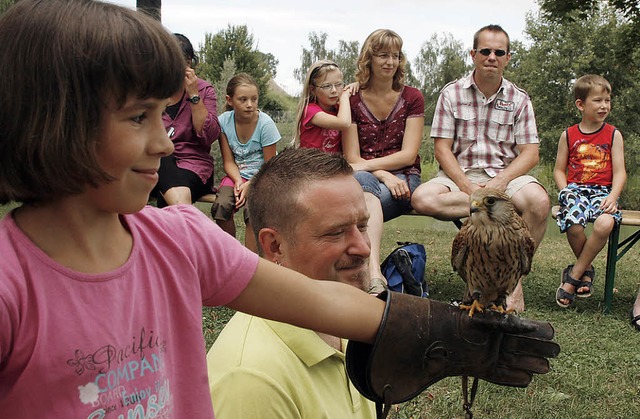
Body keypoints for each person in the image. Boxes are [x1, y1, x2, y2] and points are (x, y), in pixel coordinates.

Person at [0, 2, 558, 416]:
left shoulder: (179, 239)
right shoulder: (12, 284)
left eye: (161, 114)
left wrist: (454, 334)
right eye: (137, 117)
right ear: (54, 123)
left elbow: (319, 301)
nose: (166, 142)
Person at [207, 148, 376, 418]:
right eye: (336, 232)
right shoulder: (253, 381)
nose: (363, 248)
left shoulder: (342, 318)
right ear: (275, 246)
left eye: (363, 227)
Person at [410, 24, 550, 312]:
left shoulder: (520, 99)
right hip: (460, 177)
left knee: (538, 202)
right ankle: (478, 264)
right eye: (485, 51)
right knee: (421, 198)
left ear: (508, 58)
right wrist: (471, 190)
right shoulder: (451, 94)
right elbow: (442, 150)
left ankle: (512, 281)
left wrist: (498, 184)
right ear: (473, 54)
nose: (491, 57)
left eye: (499, 52)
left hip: (506, 176)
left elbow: (530, 153)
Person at [342, 29, 425, 294]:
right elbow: (352, 158)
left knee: (362, 199)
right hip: (369, 179)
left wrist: (385, 174)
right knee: (364, 187)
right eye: (382, 55)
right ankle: (374, 272)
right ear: (369, 59)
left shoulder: (412, 97)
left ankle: (367, 272)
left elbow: (408, 155)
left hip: (404, 179)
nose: (390, 62)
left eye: (395, 56)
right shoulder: (353, 100)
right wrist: (383, 175)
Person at [553, 75, 626, 308]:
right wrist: (565, 192)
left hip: (603, 192)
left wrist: (613, 197)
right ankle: (587, 270)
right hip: (575, 190)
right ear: (580, 105)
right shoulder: (569, 134)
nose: (604, 105)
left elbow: (620, 173)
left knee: (605, 224)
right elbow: (558, 170)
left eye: (607, 99)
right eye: (598, 100)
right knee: (574, 225)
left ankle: (574, 274)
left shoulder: (613, 135)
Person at [210, 73, 280, 252]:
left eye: (254, 99)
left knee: (253, 210)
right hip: (236, 176)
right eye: (243, 99)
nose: (250, 104)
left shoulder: (266, 125)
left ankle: (252, 260)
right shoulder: (223, 122)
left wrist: (251, 184)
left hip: (263, 175)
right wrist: (239, 182)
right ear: (230, 100)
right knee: (221, 205)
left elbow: (269, 164)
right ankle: (229, 254)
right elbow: (228, 161)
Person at [151, 33, 221, 207]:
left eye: (187, 63)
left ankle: (184, 217)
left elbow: (209, 136)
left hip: (194, 166)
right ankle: (187, 219)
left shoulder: (204, 90)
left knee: (166, 194)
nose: (183, 68)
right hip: (154, 164)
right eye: (177, 62)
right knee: (162, 156)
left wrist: (194, 95)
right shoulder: (152, 90)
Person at [293, 59, 354, 153]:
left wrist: (358, 84)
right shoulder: (310, 111)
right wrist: (345, 96)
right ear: (312, 89)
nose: (334, 90)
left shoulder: (338, 110)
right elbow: (344, 123)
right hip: (312, 165)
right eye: (326, 86)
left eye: (338, 84)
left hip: (333, 164)